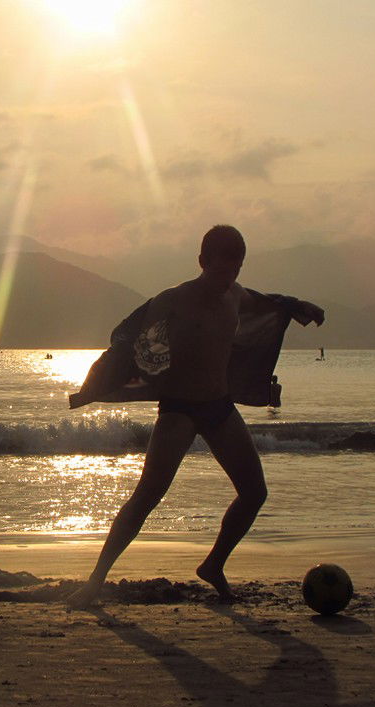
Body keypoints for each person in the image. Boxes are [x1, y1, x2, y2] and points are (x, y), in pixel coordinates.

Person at [66, 226, 324, 608]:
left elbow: (266, 303)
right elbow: (127, 334)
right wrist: (97, 383)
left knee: (254, 493)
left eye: (235, 269)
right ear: (203, 262)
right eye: (222, 269)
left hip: (219, 406)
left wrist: (298, 306)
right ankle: (94, 581)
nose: (228, 278)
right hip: (179, 408)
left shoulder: (235, 294)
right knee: (147, 496)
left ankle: (213, 565)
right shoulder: (173, 300)